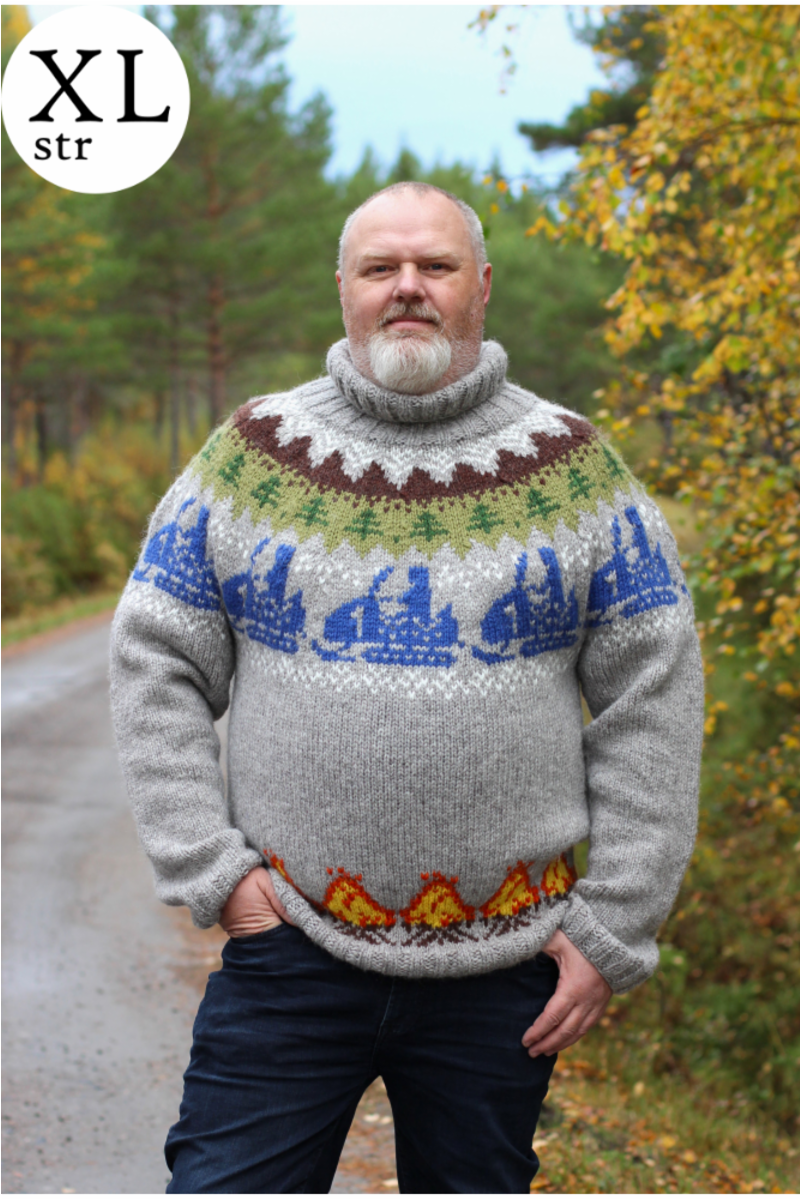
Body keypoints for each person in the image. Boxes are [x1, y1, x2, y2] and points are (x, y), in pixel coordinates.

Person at [110, 181, 704, 1194]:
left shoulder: (577, 473)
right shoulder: (249, 458)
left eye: (435, 266)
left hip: (505, 970)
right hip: (288, 952)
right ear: (342, 287)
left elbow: (654, 690)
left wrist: (612, 925)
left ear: (482, 285)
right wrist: (213, 872)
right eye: (380, 267)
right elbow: (154, 657)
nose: (407, 288)